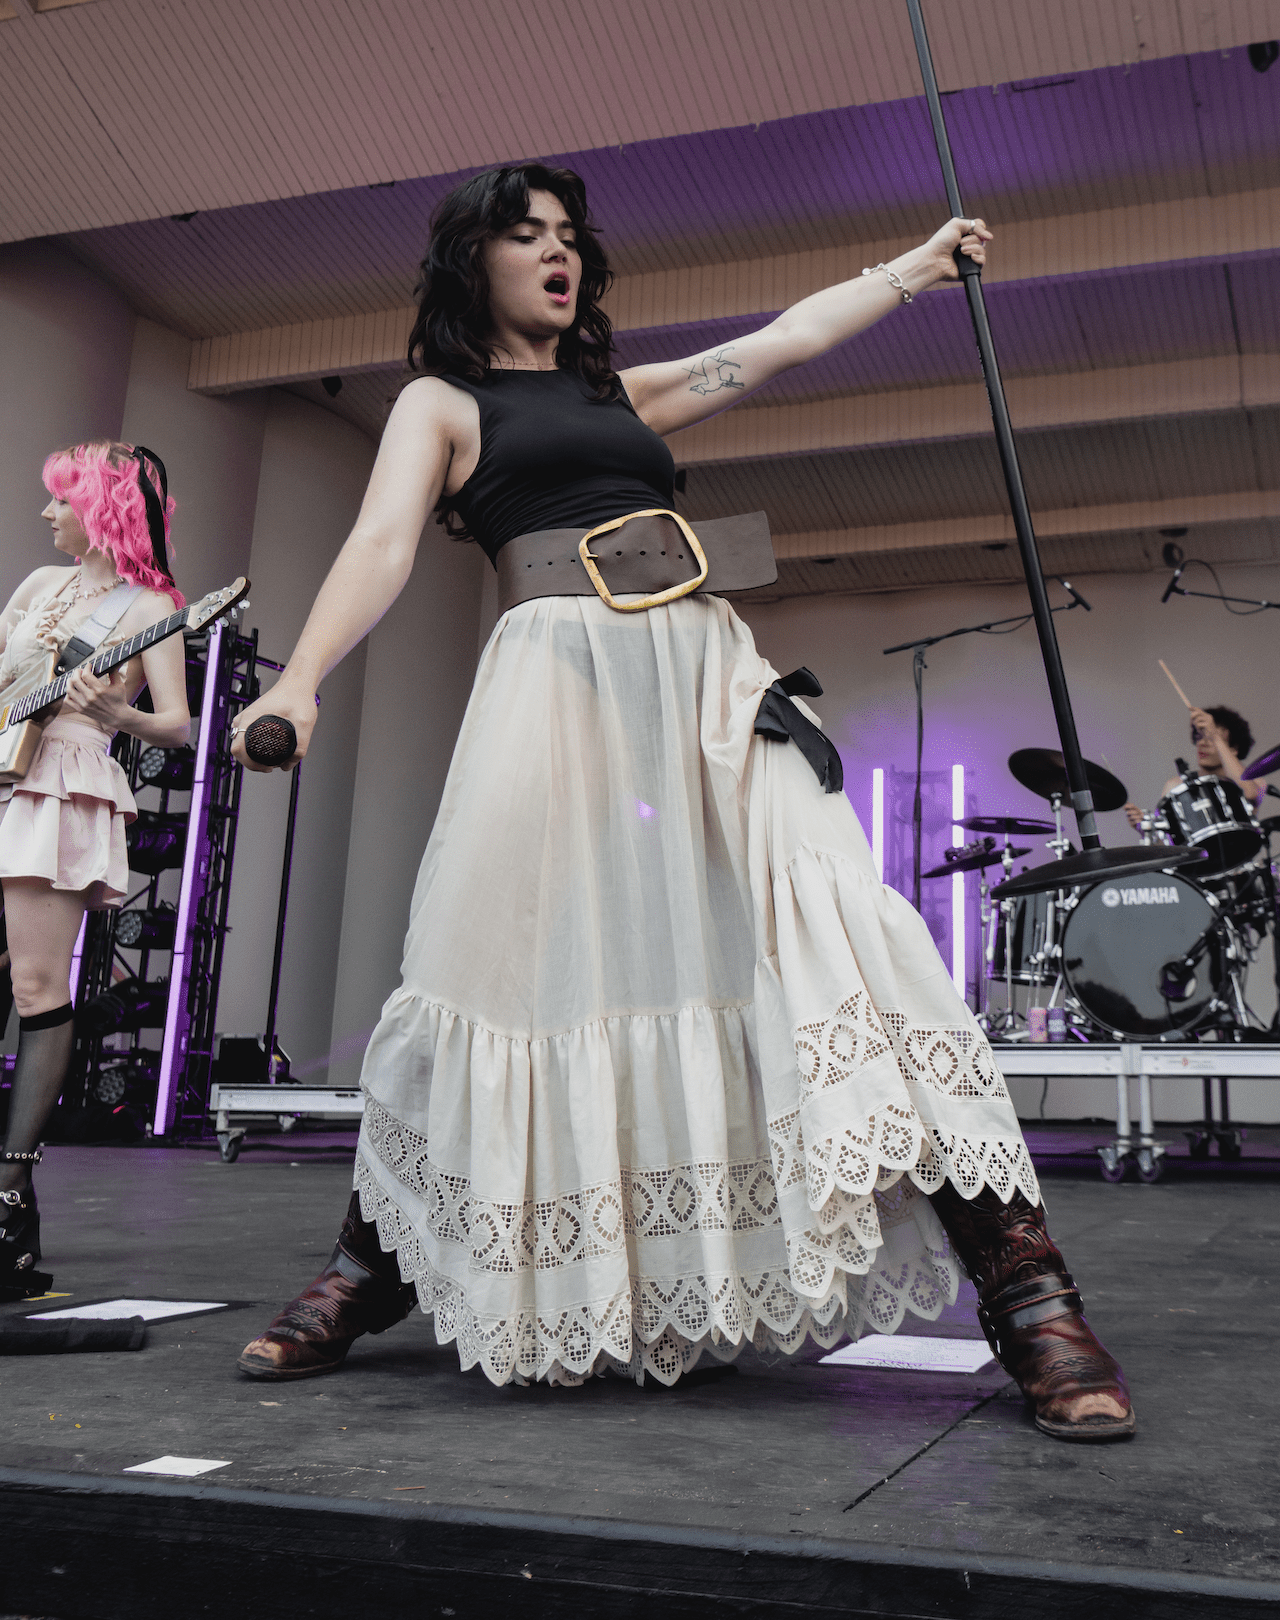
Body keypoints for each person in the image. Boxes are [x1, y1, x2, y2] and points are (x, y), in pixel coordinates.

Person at [234, 165, 1132, 1440]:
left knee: (846, 938)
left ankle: (1032, 1300)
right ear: (470, 264)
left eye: (568, 237)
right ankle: (368, 1268)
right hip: (554, 684)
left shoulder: (623, 394)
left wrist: (913, 269)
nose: (556, 254)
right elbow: (380, 543)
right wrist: (300, 681)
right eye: (525, 236)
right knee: (486, 968)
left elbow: (778, 342)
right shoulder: (441, 403)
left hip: (706, 676)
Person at [0, 442, 190, 1298]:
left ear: (101, 506)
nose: (48, 513)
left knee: (36, 987)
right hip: (7, 773)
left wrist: (122, 711)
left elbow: (177, 724)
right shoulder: (40, 586)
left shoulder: (153, 606)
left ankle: (9, 1196)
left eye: (62, 499)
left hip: (64, 785)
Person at [1124, 705, 1263, 832]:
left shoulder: (1255, 782)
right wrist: (1146, 829)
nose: (1202, 743)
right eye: (1199, 737)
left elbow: (1249, 794)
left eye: (1210, 738)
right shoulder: (1176, 786)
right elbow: (1171, 843)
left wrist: (1214, 735)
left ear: (1234, 748)